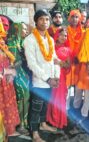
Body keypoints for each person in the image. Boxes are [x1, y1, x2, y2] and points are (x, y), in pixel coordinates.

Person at [24, 9, 60, 142]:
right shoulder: (30, 40)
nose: (44, 22)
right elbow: (31, 64)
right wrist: (48, 78)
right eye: (41, 19)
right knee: (36, 108)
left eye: (46, 19)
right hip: (39, 82)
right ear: (36, 21)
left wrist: (56, 76)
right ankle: (35, 134)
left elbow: (54, 58)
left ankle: (43, 124)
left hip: (50, 80)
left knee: (45, 105)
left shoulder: (50, 39)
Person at [46, 28, 72, 129]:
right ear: (57, 35)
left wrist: (59, 62)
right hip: (50, 76)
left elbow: (68, 65)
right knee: (51, 98)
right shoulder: (50, 47)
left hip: (61, 78)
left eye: (65, 36)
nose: (63, 37)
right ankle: (50, 119)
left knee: (59, 99)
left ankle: (57, 120)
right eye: (62, 35)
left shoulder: (67, 50)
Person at [7, 22, 30, 134]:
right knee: (21, 98)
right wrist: (19, 62)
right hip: (16, 74)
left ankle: (24, 122)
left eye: (26, 29)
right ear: (17, 30)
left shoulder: (22, 42)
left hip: (24, 74)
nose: (26, 31)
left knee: (26, 97)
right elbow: (11, 62)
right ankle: (20, 124)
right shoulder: (11, 42)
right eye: (24, 29)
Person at [0, 17, 20, 137]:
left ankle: (8, 131)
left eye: (5, 25)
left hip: (6, 83)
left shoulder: (3, 44)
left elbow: (8, 61)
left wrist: (11, 73)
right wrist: (6, 71)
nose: (4, 28)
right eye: (2, 25)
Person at [66, 10, 85, 110]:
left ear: (80, 19)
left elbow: (85, 47)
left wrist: (80, 57)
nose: (74, 19)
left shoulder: (83, 32)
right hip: (68, 62)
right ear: (69, 18)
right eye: (73, 17)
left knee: (78, 87)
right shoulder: (65, 30)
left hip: (79, 63)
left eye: (77, 17)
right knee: (67, 86)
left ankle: (76, 107)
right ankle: (66, 109)